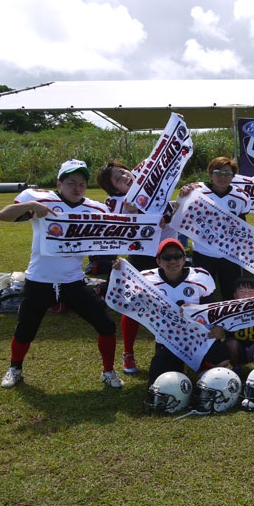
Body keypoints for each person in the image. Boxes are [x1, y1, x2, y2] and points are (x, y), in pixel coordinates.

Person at [0, 159, 124, 389]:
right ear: (59, 182)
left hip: (72, 281)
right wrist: (31, 206)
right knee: (25, 329)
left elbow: (109, 240)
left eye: (82, 184)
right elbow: (3, 215)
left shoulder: (95, 208)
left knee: (106, 325)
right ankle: (15, 367)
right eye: (71, 182)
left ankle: (108, 370)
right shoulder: (41, 199)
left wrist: (114, 261)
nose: (77, 188)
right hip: (39, 280)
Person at [96, 159, 180, 374]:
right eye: (117, 179)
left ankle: (174, 347)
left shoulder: (156, 189)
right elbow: (114, 226)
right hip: (141, 257)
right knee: (135, 305)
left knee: (172, 302)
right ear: (114, 188)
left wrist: (172, 207)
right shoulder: (115, 202)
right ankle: (128, 352)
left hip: (169, 255)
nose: (124, 177)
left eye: (123, 172)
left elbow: (173, 208)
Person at [138, 238, 232, 387]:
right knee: (159, 382)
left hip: (198, 336)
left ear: (184, 259)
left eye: (177, 256)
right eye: (166, 257)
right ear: (158, 261)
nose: (172, 261)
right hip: (170, 339)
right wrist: (117, 270)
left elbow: (212, 307)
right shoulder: (146, 280)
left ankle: (202, 366)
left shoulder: (200, 277)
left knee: (223, 358)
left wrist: (218, 326)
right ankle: (181, 365)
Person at [178, 156, 252, 299]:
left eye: (227, 174)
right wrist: (182, 196)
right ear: (210, 173)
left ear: (233, 176)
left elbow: (243, 223)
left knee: (230, 292)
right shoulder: (195, 191)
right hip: (203, 251)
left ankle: (228, 320)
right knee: (202, 292)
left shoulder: (241, 197)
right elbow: (180, 213)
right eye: (218, 172)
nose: (222, 177)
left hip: (230, 253)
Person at [224, 275, 254, 379]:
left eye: (250, 291)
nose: (246, 295)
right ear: (235, 295)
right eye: (241, 291)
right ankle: (236, 367)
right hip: (237, 350)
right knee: (231, 343)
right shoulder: (227, 311)